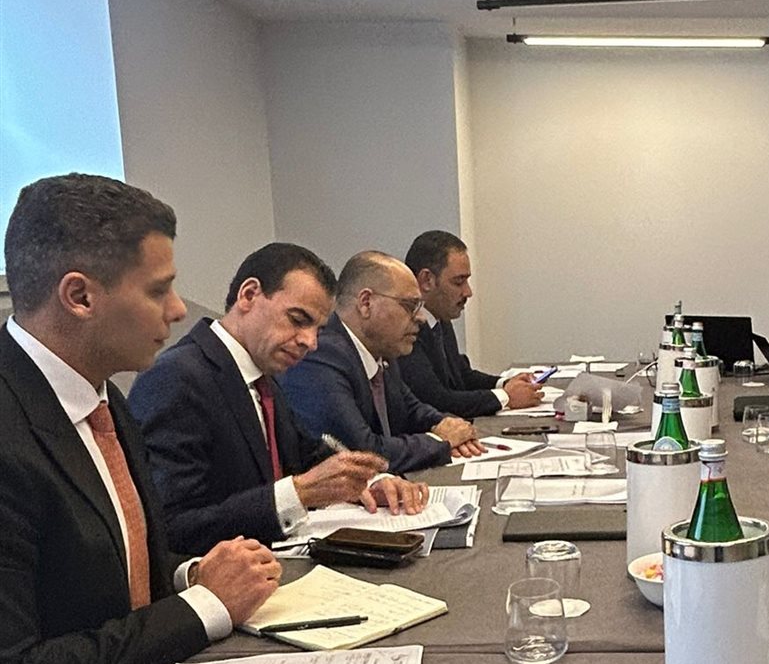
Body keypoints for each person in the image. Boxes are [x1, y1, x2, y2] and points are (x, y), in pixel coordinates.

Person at [0, 174, 280, 664]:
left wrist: (192, 574)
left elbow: (103, 572)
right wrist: (203, 606)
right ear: (80, 296)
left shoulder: (104, 397)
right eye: (159, 290)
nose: (179, 310)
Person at [129, 242, 429, 550]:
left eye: (317, 329)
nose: (310, 342)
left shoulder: (263, 377)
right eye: (298, 320)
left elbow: (307, 454)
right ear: (249, 295)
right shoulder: (176, 377)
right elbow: (172, 527)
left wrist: (367, 482)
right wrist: (297, 494)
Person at [279, 251, 485, 472]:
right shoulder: (322, 354)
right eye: (410, 305)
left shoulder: (382, 348)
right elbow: (364, 452)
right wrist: (440, 441)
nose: (421, 317)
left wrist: (443, 423)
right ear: (366, 303)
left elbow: (411, 409)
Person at [401, 230, 544, 417]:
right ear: (427, 280)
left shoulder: (440, 319)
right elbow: (436, 400)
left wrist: (504, 383)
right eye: (458, 282)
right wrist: (506, 397)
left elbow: (461, 375)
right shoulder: (404, 330)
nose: (468, 292)